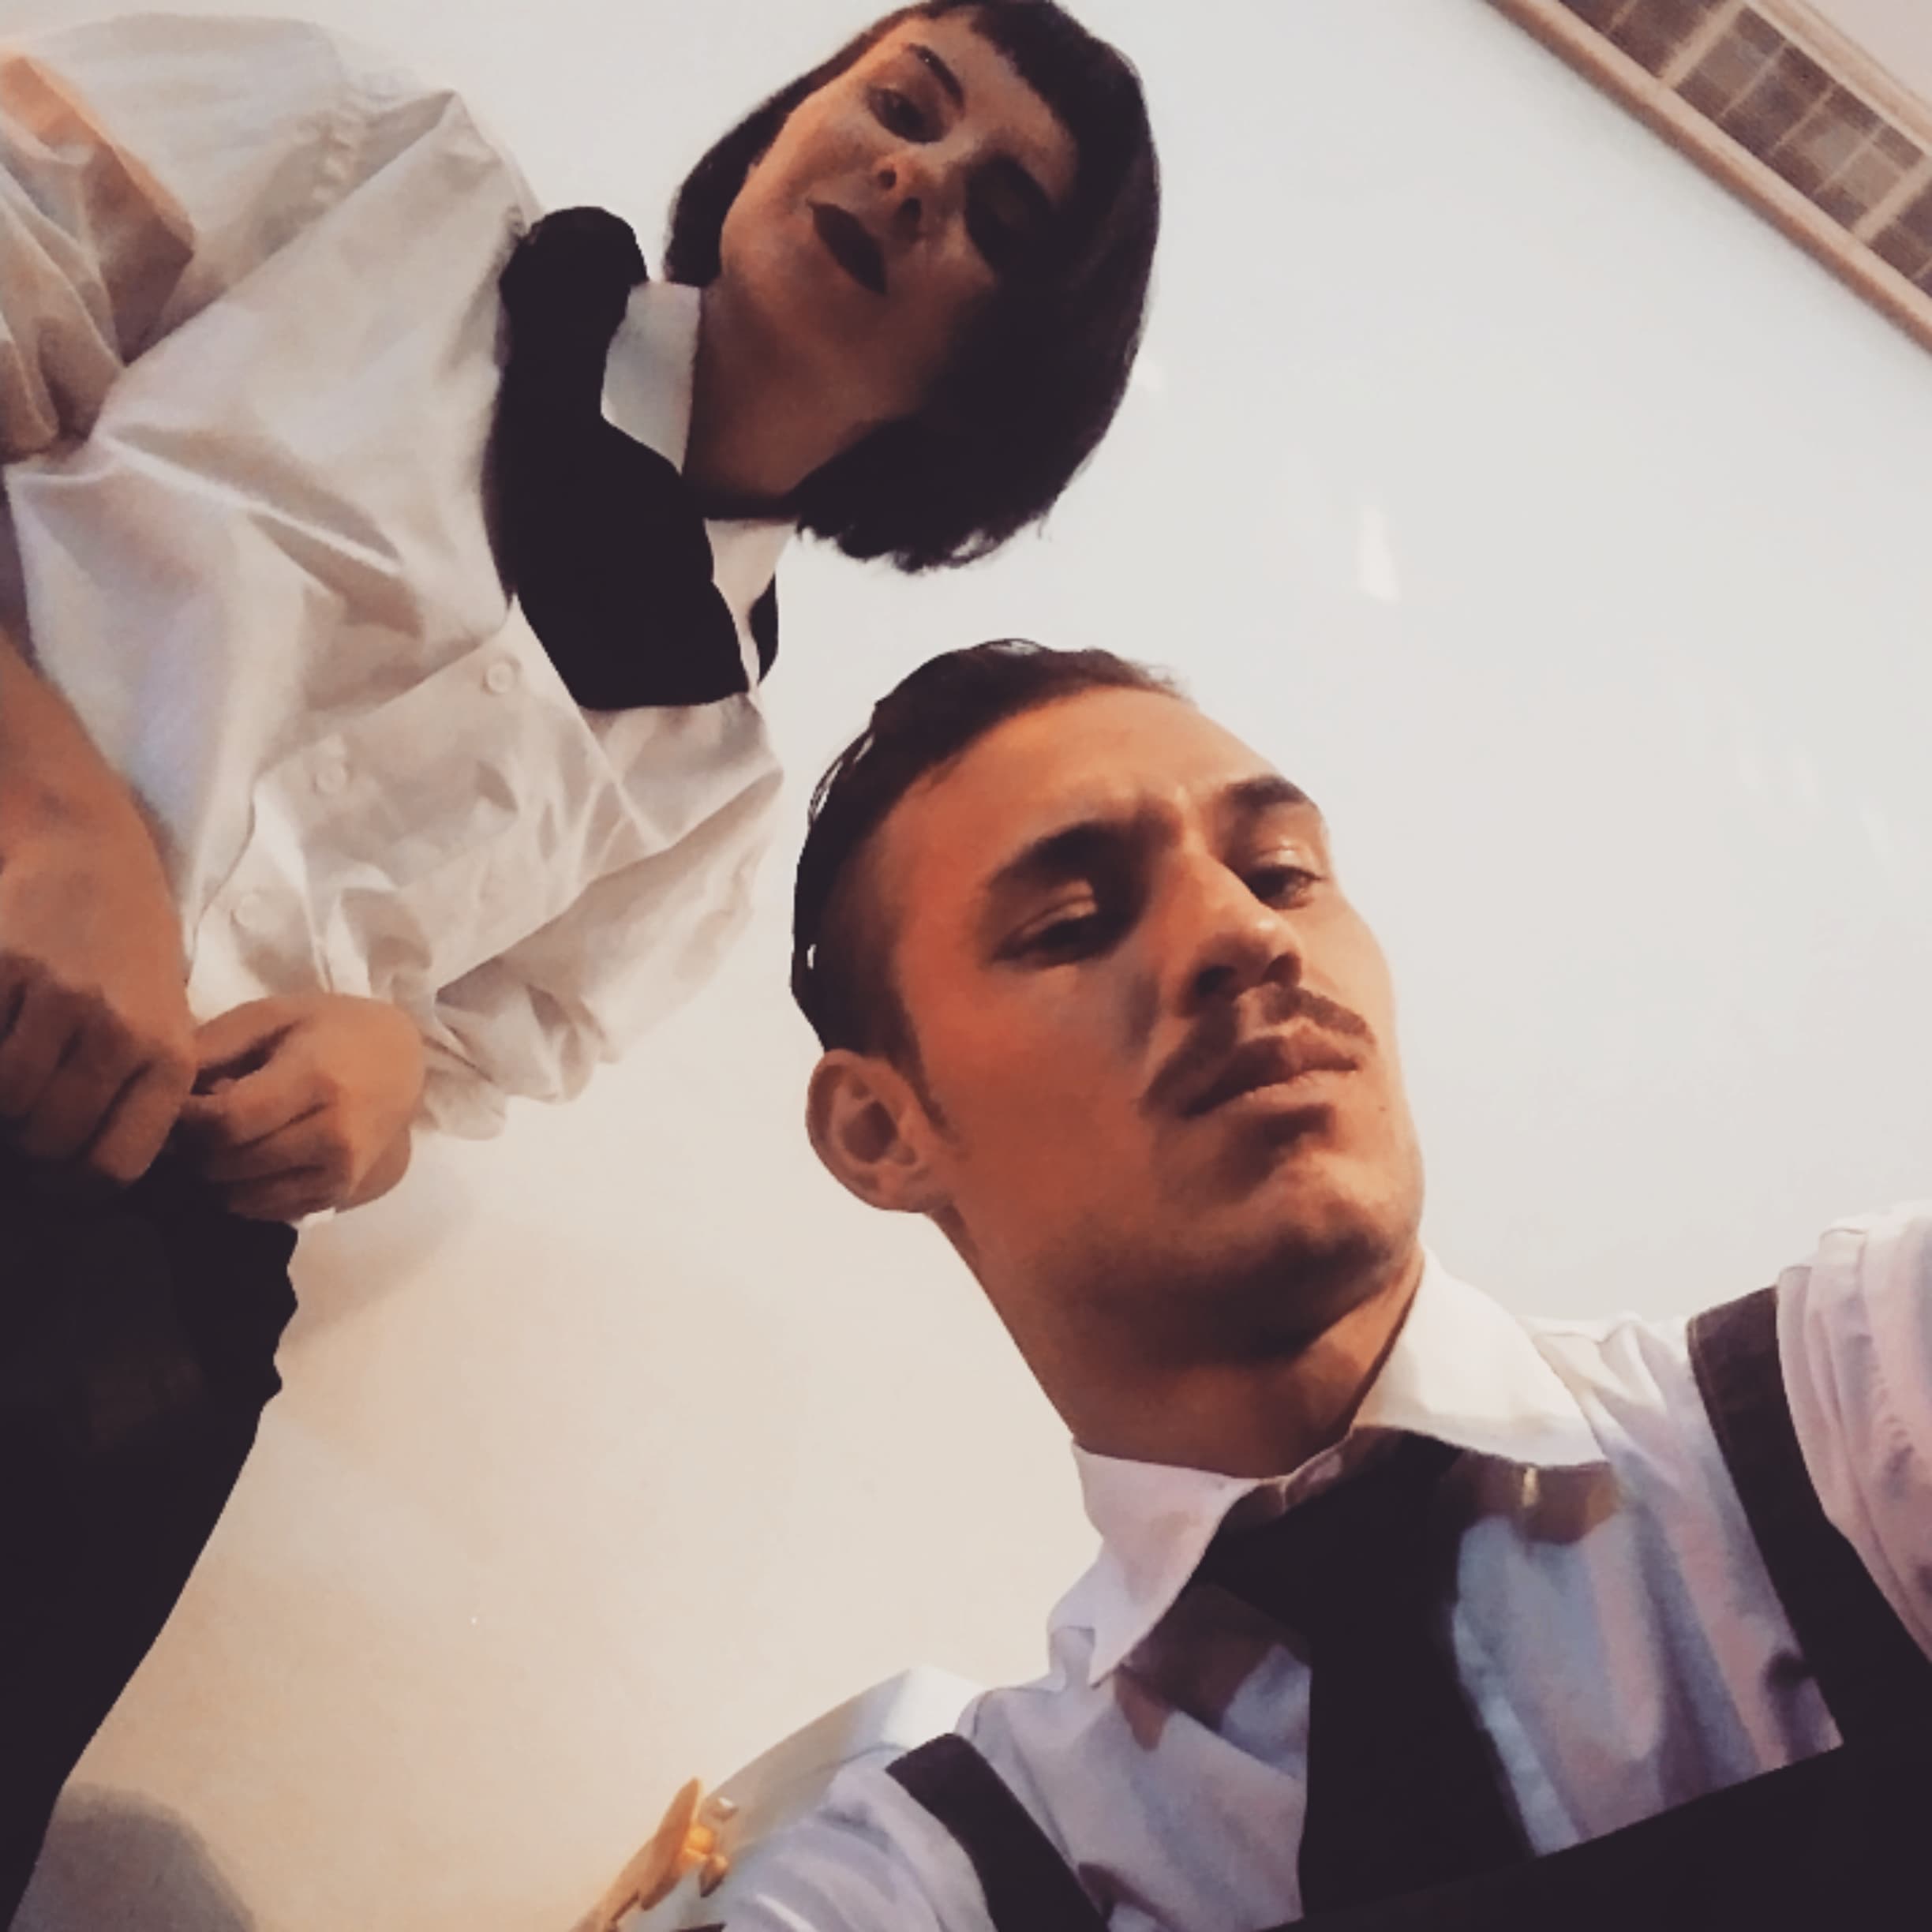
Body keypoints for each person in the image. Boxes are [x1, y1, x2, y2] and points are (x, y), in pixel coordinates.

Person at [0, 8, 1157, 1910]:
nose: (915, 176)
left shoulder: (715, 789)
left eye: (999, 217)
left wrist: (379, 1084)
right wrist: (53, 814)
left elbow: (468, 1050)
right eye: (904, 104)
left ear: (1004, 368)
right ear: (792, 123)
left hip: (110, 1284)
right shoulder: (370, 171)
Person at [685, 639, 1927, 1929]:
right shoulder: (936, 1876)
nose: (1244, 932)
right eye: (1072, 925)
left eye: (1280, 872)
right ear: (883, 1131)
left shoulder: (1860, 1407)